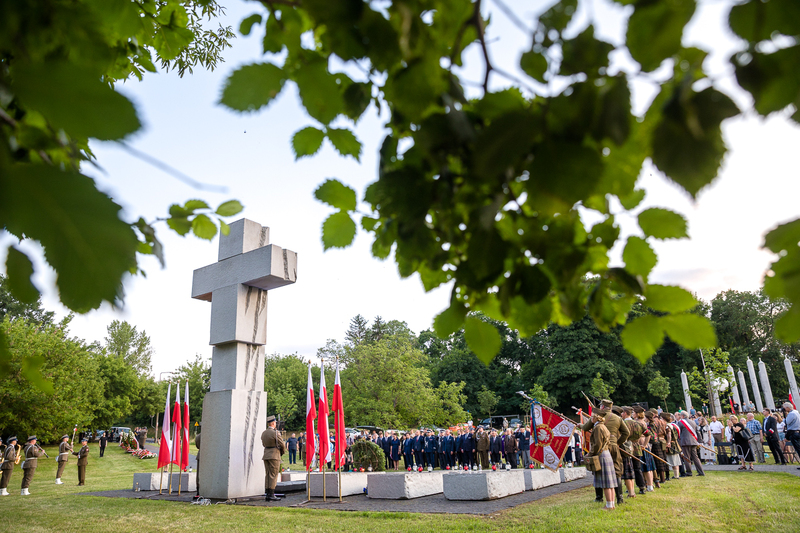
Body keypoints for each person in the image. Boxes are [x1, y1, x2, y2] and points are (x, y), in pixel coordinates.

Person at [586, 410, 617, 511]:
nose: (591, 418)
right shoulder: (603, 426)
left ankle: (608, 505)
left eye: (592, 416)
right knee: (610, 483)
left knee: (606, 483)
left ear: (596, 417)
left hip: (601, 454)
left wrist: (590, 454)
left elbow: (597, 444)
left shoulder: (598, 427)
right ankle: (611, 504)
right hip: (606, 453)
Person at [261, 415, 286, 501]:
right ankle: (271, 494)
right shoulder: (275, 433)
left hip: (266, 454)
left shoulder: (264, 433)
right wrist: (282, 452)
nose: (275, 424)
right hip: (274, 455)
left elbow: (263, 444)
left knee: (268, 474)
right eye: (275, 422)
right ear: (272, 423)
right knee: (273, 475)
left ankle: (268, 493)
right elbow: (282, 444)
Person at [677, 411, 705, 476]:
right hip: (693, 441)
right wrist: (700, 441)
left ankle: (689, 472)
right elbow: (697, 432)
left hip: (685, 442)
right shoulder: (693, 422)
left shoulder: (680, 422)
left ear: (682, 416)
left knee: (686, 457)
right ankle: (701, 472)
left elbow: (678, 431)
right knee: (696, 458)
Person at [782, 402, 800, 469]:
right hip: (798, 431)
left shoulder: (791, 414)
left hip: (793, 432)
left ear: (787, 407)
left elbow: (787, 422)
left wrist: (784, 417)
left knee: (798, 449)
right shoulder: (796, 412)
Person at [194, 431, 202, 500]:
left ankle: (198, 490)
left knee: (199, 474)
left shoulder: (199, 436)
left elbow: (197, 446)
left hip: (200, 455)